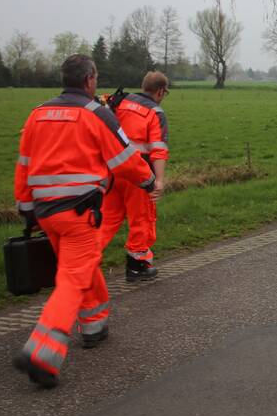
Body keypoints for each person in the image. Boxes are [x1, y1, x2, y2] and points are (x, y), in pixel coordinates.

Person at [13, 55, 156, 388]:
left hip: (45, 212)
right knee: (72, 279)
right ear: (90, 79)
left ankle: (94, 325)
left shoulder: (38, 114)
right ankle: (42, 353)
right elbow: (125, 159)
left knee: (82, 267)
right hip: (79, 212)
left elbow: (24, 165)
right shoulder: (96, 114)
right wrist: (148, 180)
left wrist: (26, 209)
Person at [99, 71, 170, 282]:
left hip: (112, 171)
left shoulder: (118, 101)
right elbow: (158, 150)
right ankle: (137, 266)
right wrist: (159, 181)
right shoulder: (155, 113)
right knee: (142, 219)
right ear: (160, 91)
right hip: (139, 174)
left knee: (107, 219)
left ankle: (80, 261)